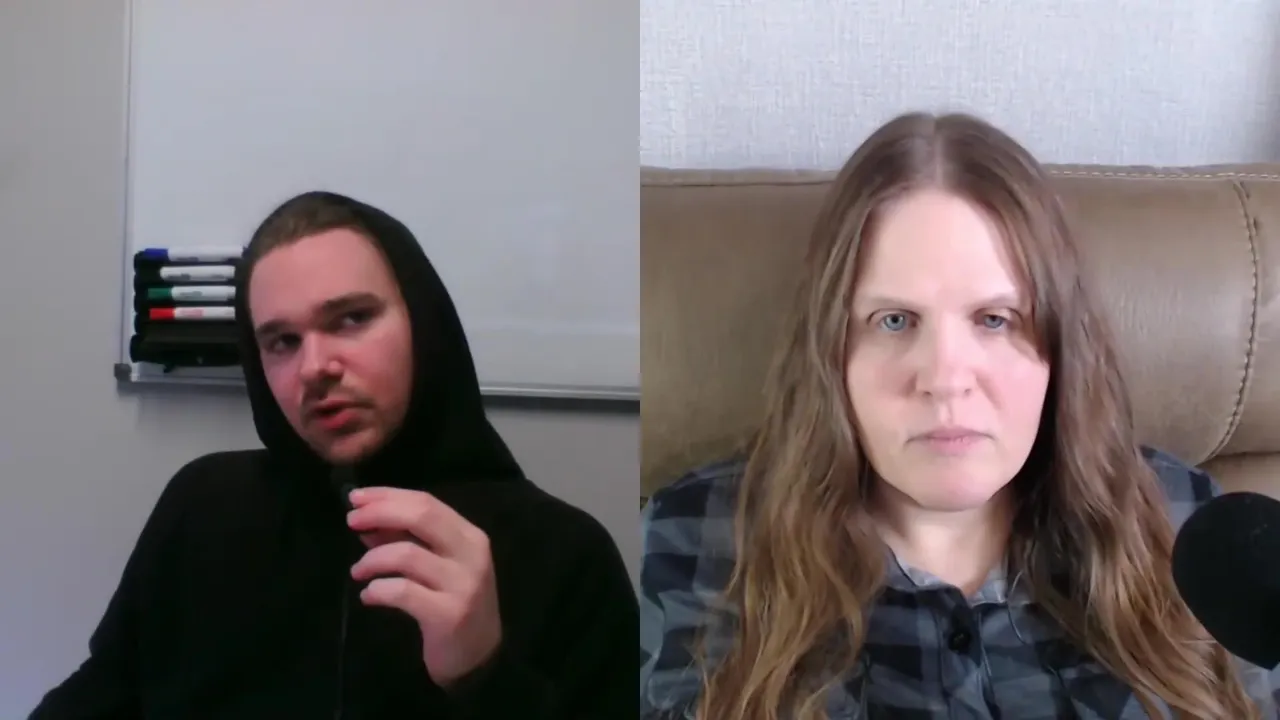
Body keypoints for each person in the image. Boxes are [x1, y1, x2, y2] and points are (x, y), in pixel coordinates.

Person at [638, 113, 1277, 719]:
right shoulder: (697, 539)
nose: (945, 378)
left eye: (995, 320)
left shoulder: (1187, 524)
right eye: (894, 320)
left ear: (1059, 350)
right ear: (831, 350)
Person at [31, 191, 636, 719]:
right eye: (282, 341)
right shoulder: (203, 507)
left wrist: (483, 675)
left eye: (351, 319)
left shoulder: (567, 557)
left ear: (422, 323)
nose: (315, 367)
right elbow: (100, 695)